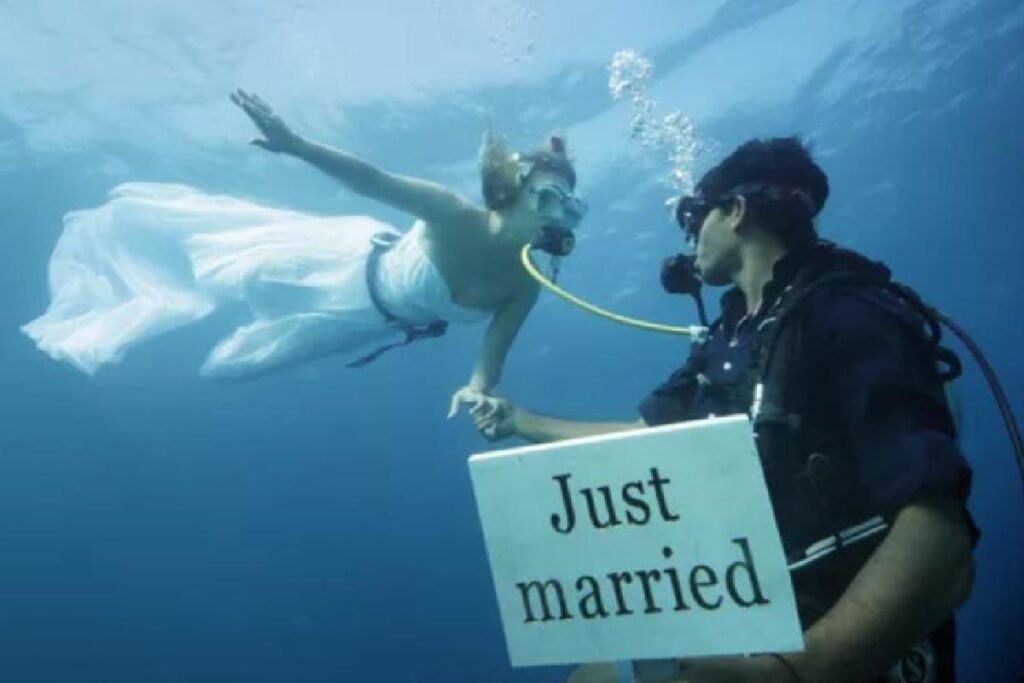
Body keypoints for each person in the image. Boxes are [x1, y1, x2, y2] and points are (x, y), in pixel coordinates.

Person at [473, 137, 977, 682]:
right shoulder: (724, 341)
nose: (690, 241)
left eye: (694, 219)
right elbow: (637, 443)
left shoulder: (846, 313)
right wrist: (518, 421)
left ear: (735, 212)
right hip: (748, 612)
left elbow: (940, 540)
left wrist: (800, 669)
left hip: (832, 637)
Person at [22, 89, 587, 417]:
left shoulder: (526, 284)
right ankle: (110, 325)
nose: (555, 217)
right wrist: (296, 146)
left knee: (225, 370)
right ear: (511, 190)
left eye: (569, 208)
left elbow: (490, 362)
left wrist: (476, 391)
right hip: (338, 262)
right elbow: (370, 179)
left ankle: (146, 394)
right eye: (547, 197)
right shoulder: (451, 212)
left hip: (373, 323)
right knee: (217, 264)